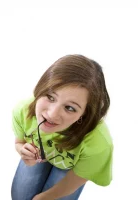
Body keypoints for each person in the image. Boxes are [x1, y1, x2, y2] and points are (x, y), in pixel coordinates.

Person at [11, 54, 113, 200]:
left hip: (71, 165)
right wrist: (22, 150)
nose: (52, 114)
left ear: (84, 114)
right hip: (43, 155)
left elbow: (79, 177)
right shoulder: (23, 111)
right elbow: (19, 142)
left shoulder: (98, 143)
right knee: (20, 196)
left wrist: (44, 197)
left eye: (70, 108)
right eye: (50, 97)